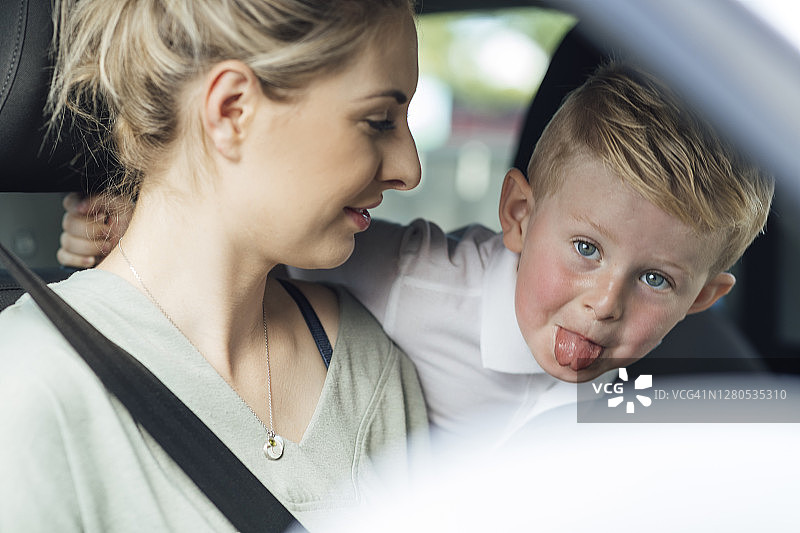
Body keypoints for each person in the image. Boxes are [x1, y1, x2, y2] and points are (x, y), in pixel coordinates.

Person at [58, 63, 775, 446]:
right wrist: (136, 224)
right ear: (518, 216)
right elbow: (248, 244)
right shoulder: (417, 280)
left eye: (655, 278)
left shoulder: (667, 398)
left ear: (704, 298)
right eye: (585, 248)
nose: (605, 301)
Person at [0, 1, 430, 531]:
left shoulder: (369, 366)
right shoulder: (28, 384)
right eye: (378, 121)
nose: (410, 169)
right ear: (231, 110)